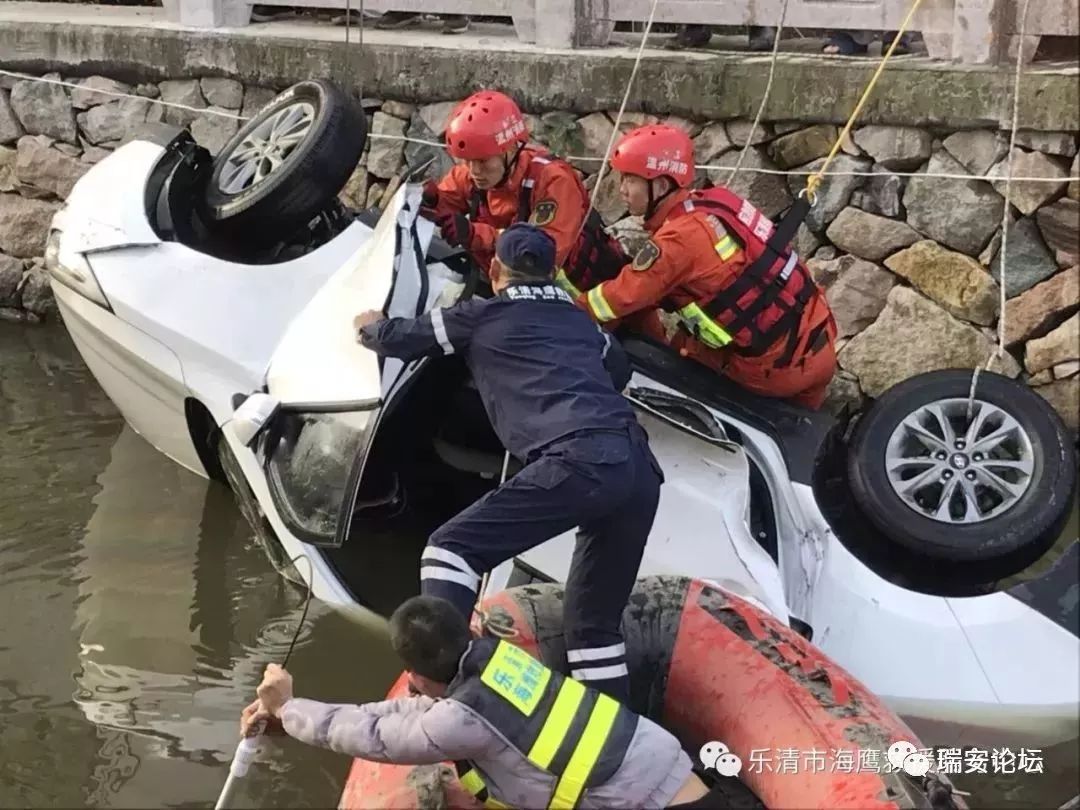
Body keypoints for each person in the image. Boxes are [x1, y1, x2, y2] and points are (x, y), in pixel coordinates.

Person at [354, 224, 663, 701]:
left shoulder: (481, 315)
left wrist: (369, 325)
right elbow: (618, 371)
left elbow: (400, 338)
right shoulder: (584, 323)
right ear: (554, 273)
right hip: (639, 469)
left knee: (450, 550)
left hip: (578, 459)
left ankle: (448, 697)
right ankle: (619, 743)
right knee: (593, 632)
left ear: (496, 270)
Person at [240, 595, 724, 808]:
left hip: (645, 801)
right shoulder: (499, 660)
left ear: (416, 674)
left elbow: (378, 738)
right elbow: (402, 714)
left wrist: (286, 705)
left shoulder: (462, 719)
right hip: (664, 759)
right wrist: (293, 712)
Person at [574, 124, 838, 411]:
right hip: (816, 338)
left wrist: (564, 309)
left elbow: (619, 298)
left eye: (630, 179)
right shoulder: (718, 200)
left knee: (672, 361)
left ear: (660, 186)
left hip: (774, 368)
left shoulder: (678, 240)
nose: (622, 189)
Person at [420, 89, 628, 299]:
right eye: (467, 160)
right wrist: (430, 199)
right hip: (517, 293)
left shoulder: (553, 180)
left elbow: (540, 253)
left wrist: (475, 234)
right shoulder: (472, 175)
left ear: (510, 149)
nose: (474, 171)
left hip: (581, 297)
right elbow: (445, 198)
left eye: (482, 161)